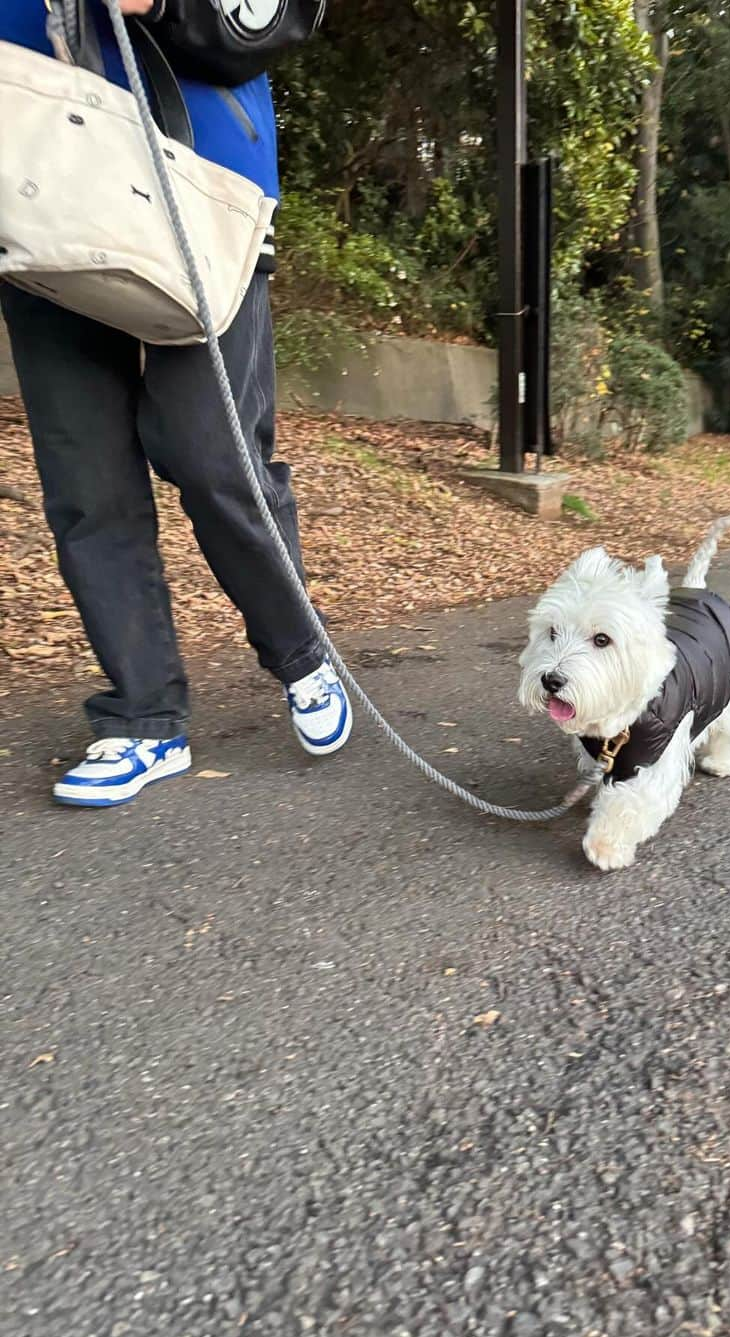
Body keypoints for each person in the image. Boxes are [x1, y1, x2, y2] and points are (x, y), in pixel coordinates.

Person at [0, 0, 351, 806]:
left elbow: (278, 16)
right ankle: (143, 719)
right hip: (39, 185)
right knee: (86, 483)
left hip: (199, 187)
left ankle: (300, 650)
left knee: (212, 453)